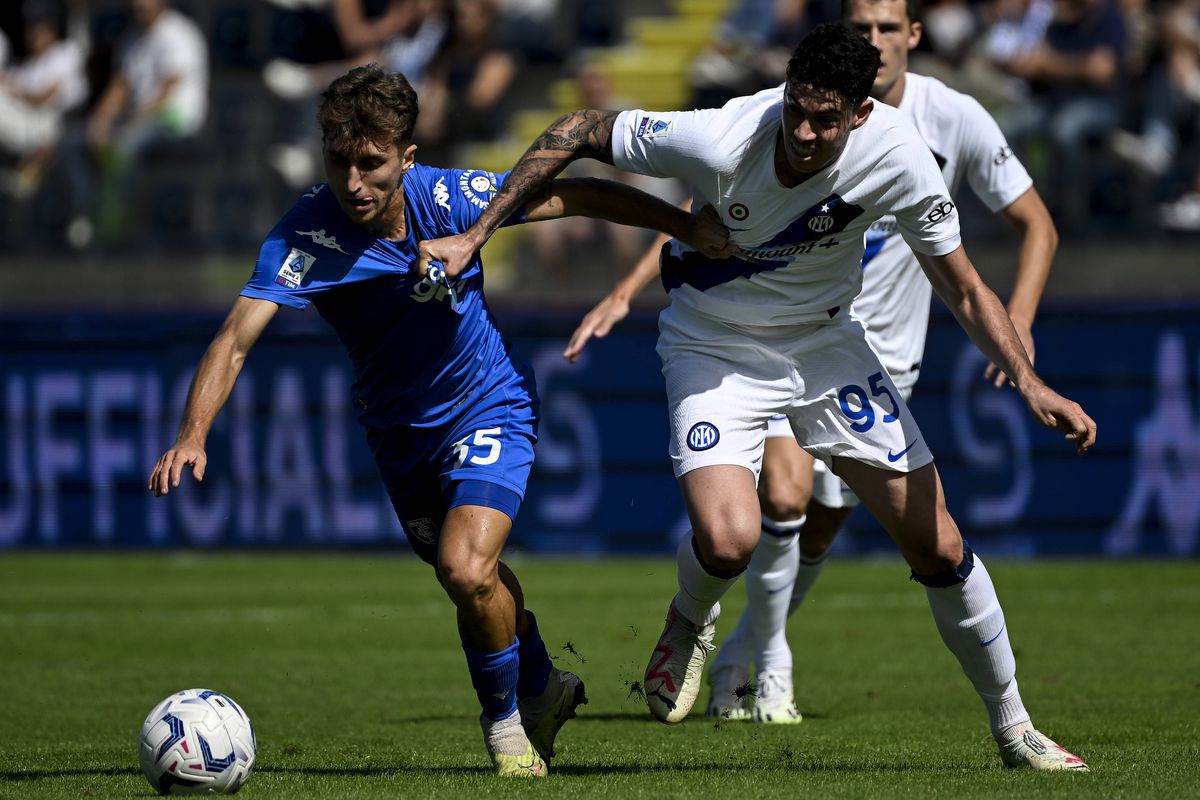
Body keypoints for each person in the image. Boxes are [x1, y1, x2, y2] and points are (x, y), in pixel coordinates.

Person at [416, 23, 1096, 771]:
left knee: (939, 545)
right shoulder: (723, 136)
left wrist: (1030, 381)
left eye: (825, 119)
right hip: (714, 346)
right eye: (796, 108)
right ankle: (691, 616)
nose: (802, 131)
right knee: (730, 540)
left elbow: (963, 287)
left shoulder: (901, 156)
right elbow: (579, 128)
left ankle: (1015, 728)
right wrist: (477, 233)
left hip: (826, 346)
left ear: (861, 113)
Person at [147, 65, 731, 778]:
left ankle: (506, 731)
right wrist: (192, 434)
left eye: (371, 163)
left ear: (407, 157)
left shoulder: (451, 198)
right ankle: (542, 683)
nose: (354, 182)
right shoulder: (306, 236)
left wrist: (684, 226)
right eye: (339, 162)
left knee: (464, 566)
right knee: (474, 581)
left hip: (489, 405)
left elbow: (578, 194)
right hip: (399, 437)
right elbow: (235, 338)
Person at [568, 0, 1060, 727]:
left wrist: (1025, 363)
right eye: (861, 27)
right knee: (777, 504)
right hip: (740, 341)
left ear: (910, 39)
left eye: (886, 28)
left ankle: (760, 652)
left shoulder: (941, 127)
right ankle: (763, 663)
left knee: (870, 533)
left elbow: (992, 259)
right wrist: (625, 286)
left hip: (859, 350)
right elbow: (710, 214)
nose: (874, 40)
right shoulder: (749, 129)